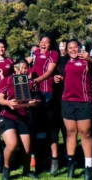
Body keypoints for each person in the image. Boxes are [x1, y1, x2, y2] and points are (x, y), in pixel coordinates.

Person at [54, 40, 92, 180]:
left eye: (74, 47)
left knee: (85, 133)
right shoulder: (64, 62)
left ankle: (88, 166)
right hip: (67, 102)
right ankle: (71, 163)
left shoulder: (86, 61)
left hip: (84, 101)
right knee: (71, 133)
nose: (72, 50)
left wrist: (89, 59)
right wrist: (58, 78)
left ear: (80, 48)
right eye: (69, 48)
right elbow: (67, 77)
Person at [0, 59, 40, 180]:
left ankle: (27, 170)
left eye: (26, 68)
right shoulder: (7, 80)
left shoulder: (30, 83)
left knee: (27, 149)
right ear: (16, 68)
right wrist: (8, 102)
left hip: (23, 117)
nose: (25, 70)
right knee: (12, 144)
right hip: (7, 116)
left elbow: (37, 99)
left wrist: (34, 102)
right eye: (22, 67)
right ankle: (6, 168)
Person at [29, 36, 59, 173]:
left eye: (47, 42)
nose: (43, 44)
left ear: (50, 45)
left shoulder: (53, 54)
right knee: (38, 128)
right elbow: (28, 65)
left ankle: (55, 159)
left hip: (47, 92)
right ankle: (38, 160)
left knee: (51, 127)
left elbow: (50, 71)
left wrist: (37, 80)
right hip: (35, 93)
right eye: (42, 42)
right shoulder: (35, 54)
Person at [49, 40, 68, 174]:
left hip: (68, 98)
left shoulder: (71, 60)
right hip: (54, 98)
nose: (63, 48)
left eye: (65, 46)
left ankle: (69, 156)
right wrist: (53, 78)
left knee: (68, 130)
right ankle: (54, 160)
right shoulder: (53, 59)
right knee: (54, 131)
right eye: (61, 46)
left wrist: (64, 79)